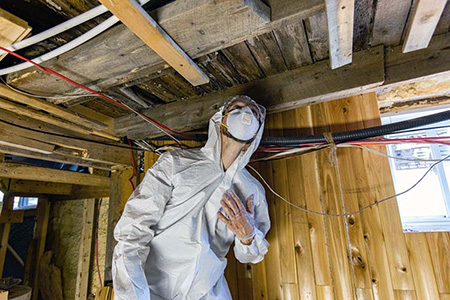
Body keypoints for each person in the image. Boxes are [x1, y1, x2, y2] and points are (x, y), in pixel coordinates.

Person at [112, 95, 270, 300]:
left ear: (255, 136)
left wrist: (248, 237)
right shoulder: (175, 163)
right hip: (150, 289)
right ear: (221, 122)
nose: (246, 113)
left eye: (255, 112)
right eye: (238, 107)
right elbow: (133, 230)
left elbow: (250, 256)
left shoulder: (252, 191)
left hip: (207, 292)